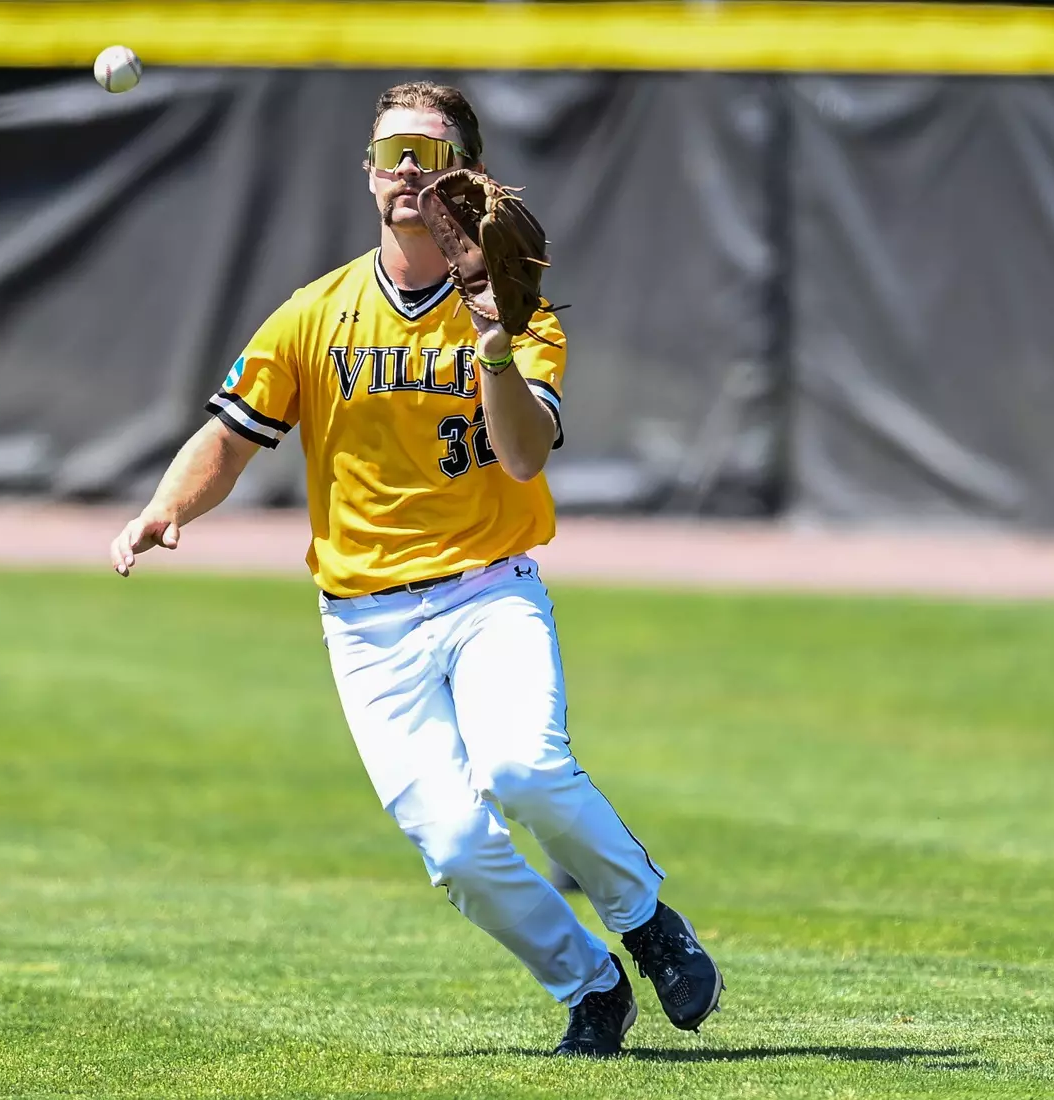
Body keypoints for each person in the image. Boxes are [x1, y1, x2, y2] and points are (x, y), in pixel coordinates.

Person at [110, 80, 721, 1057]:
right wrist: (165, 507)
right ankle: (590, 982)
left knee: (524, 768)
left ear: (465, 177)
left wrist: (492, 343)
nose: (406, 170)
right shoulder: (313, 315)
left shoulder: (520, 313)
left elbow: (523, 456)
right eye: (390, 151)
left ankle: (646, 921)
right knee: (455, 846)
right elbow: (231, 433)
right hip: (364, 621)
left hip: (487, 591)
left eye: (428, 155)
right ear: (366, 173)